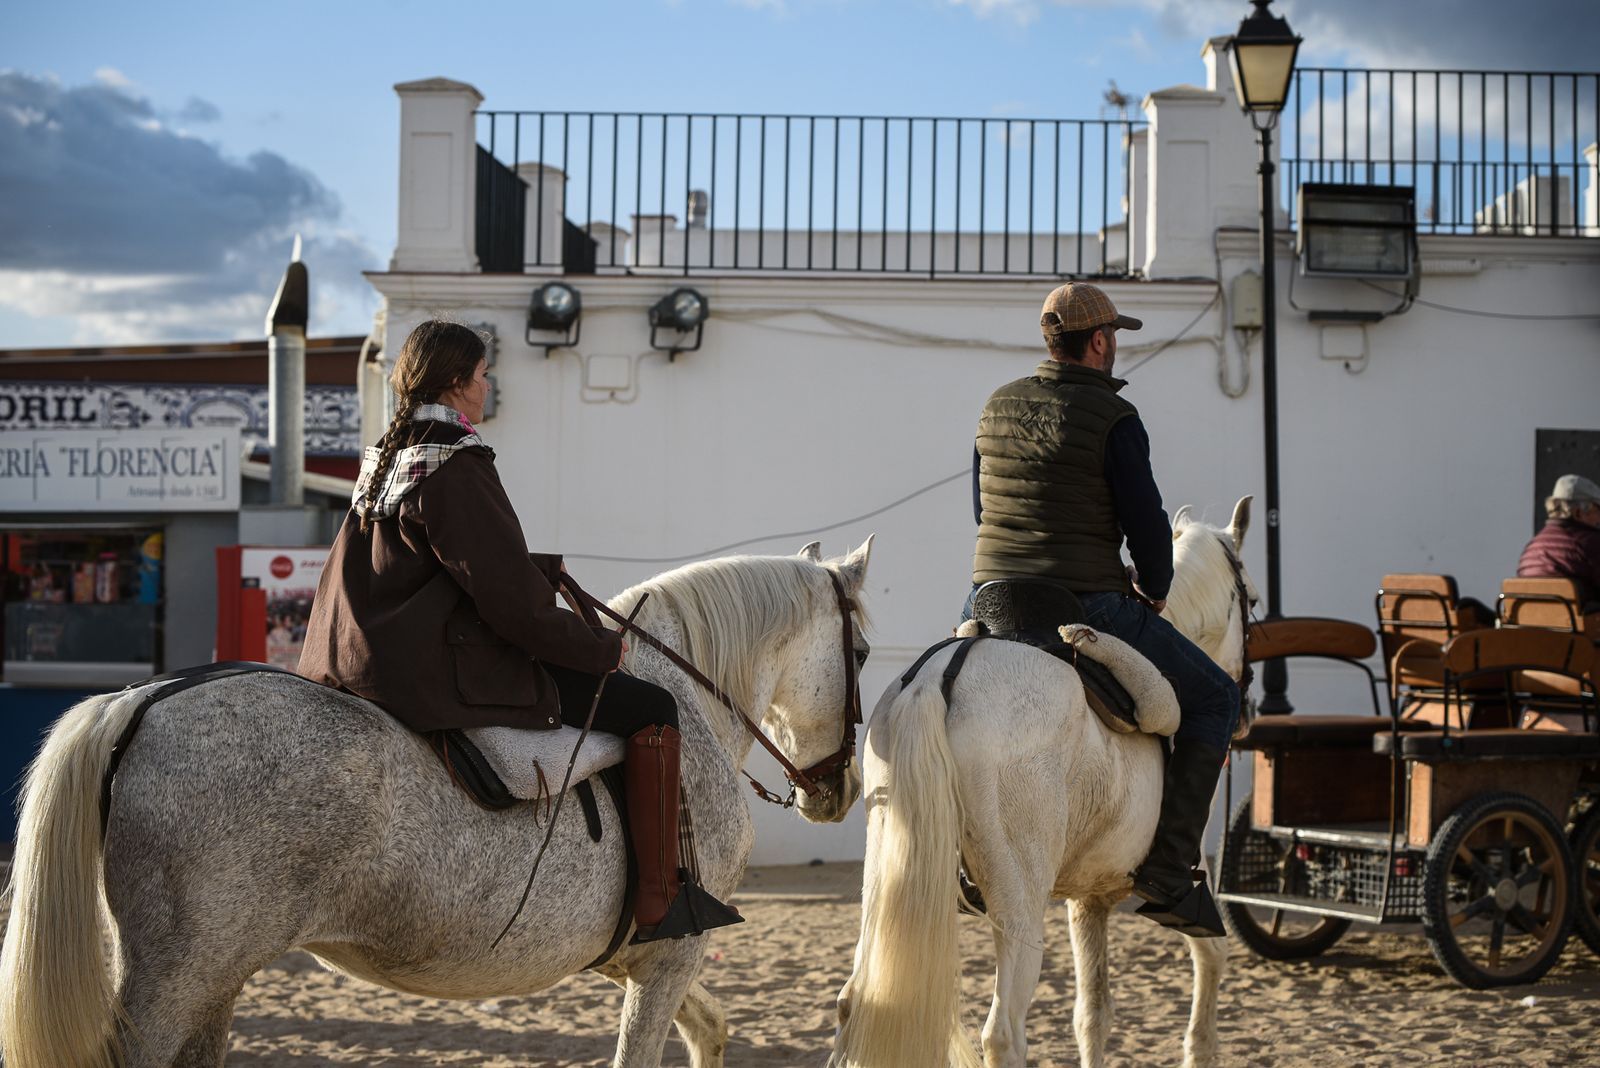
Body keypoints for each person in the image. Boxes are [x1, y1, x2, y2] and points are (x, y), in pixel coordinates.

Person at [298, 319, 737, 943]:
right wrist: (599, 649)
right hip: (429, 670)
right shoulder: (457, 461)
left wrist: (532, 568)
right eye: (482, 375)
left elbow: (415, 565)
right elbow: (511, 610)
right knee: (652, 705)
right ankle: (660, 897)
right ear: (456, 384)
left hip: (350, 660)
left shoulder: (388, 457)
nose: (487, 385)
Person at [965, 282, 1238, 936]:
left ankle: (963, 860)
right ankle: (1170, 873)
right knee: (1216, 700)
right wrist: (1155, 585)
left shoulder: (995, 407)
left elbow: (982, 511)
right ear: (1098, 342)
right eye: (1114, 336)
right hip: (1084, 601)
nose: (1115, 347)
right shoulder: (1115, 419)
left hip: (992, 598)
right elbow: (1147, 525)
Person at [1517, 473, 1600, 611]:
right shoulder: (1591, 542)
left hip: (1533, 626)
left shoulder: (1532, 547)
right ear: (1578, 512)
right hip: (1582, 629)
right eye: (1597, 510)